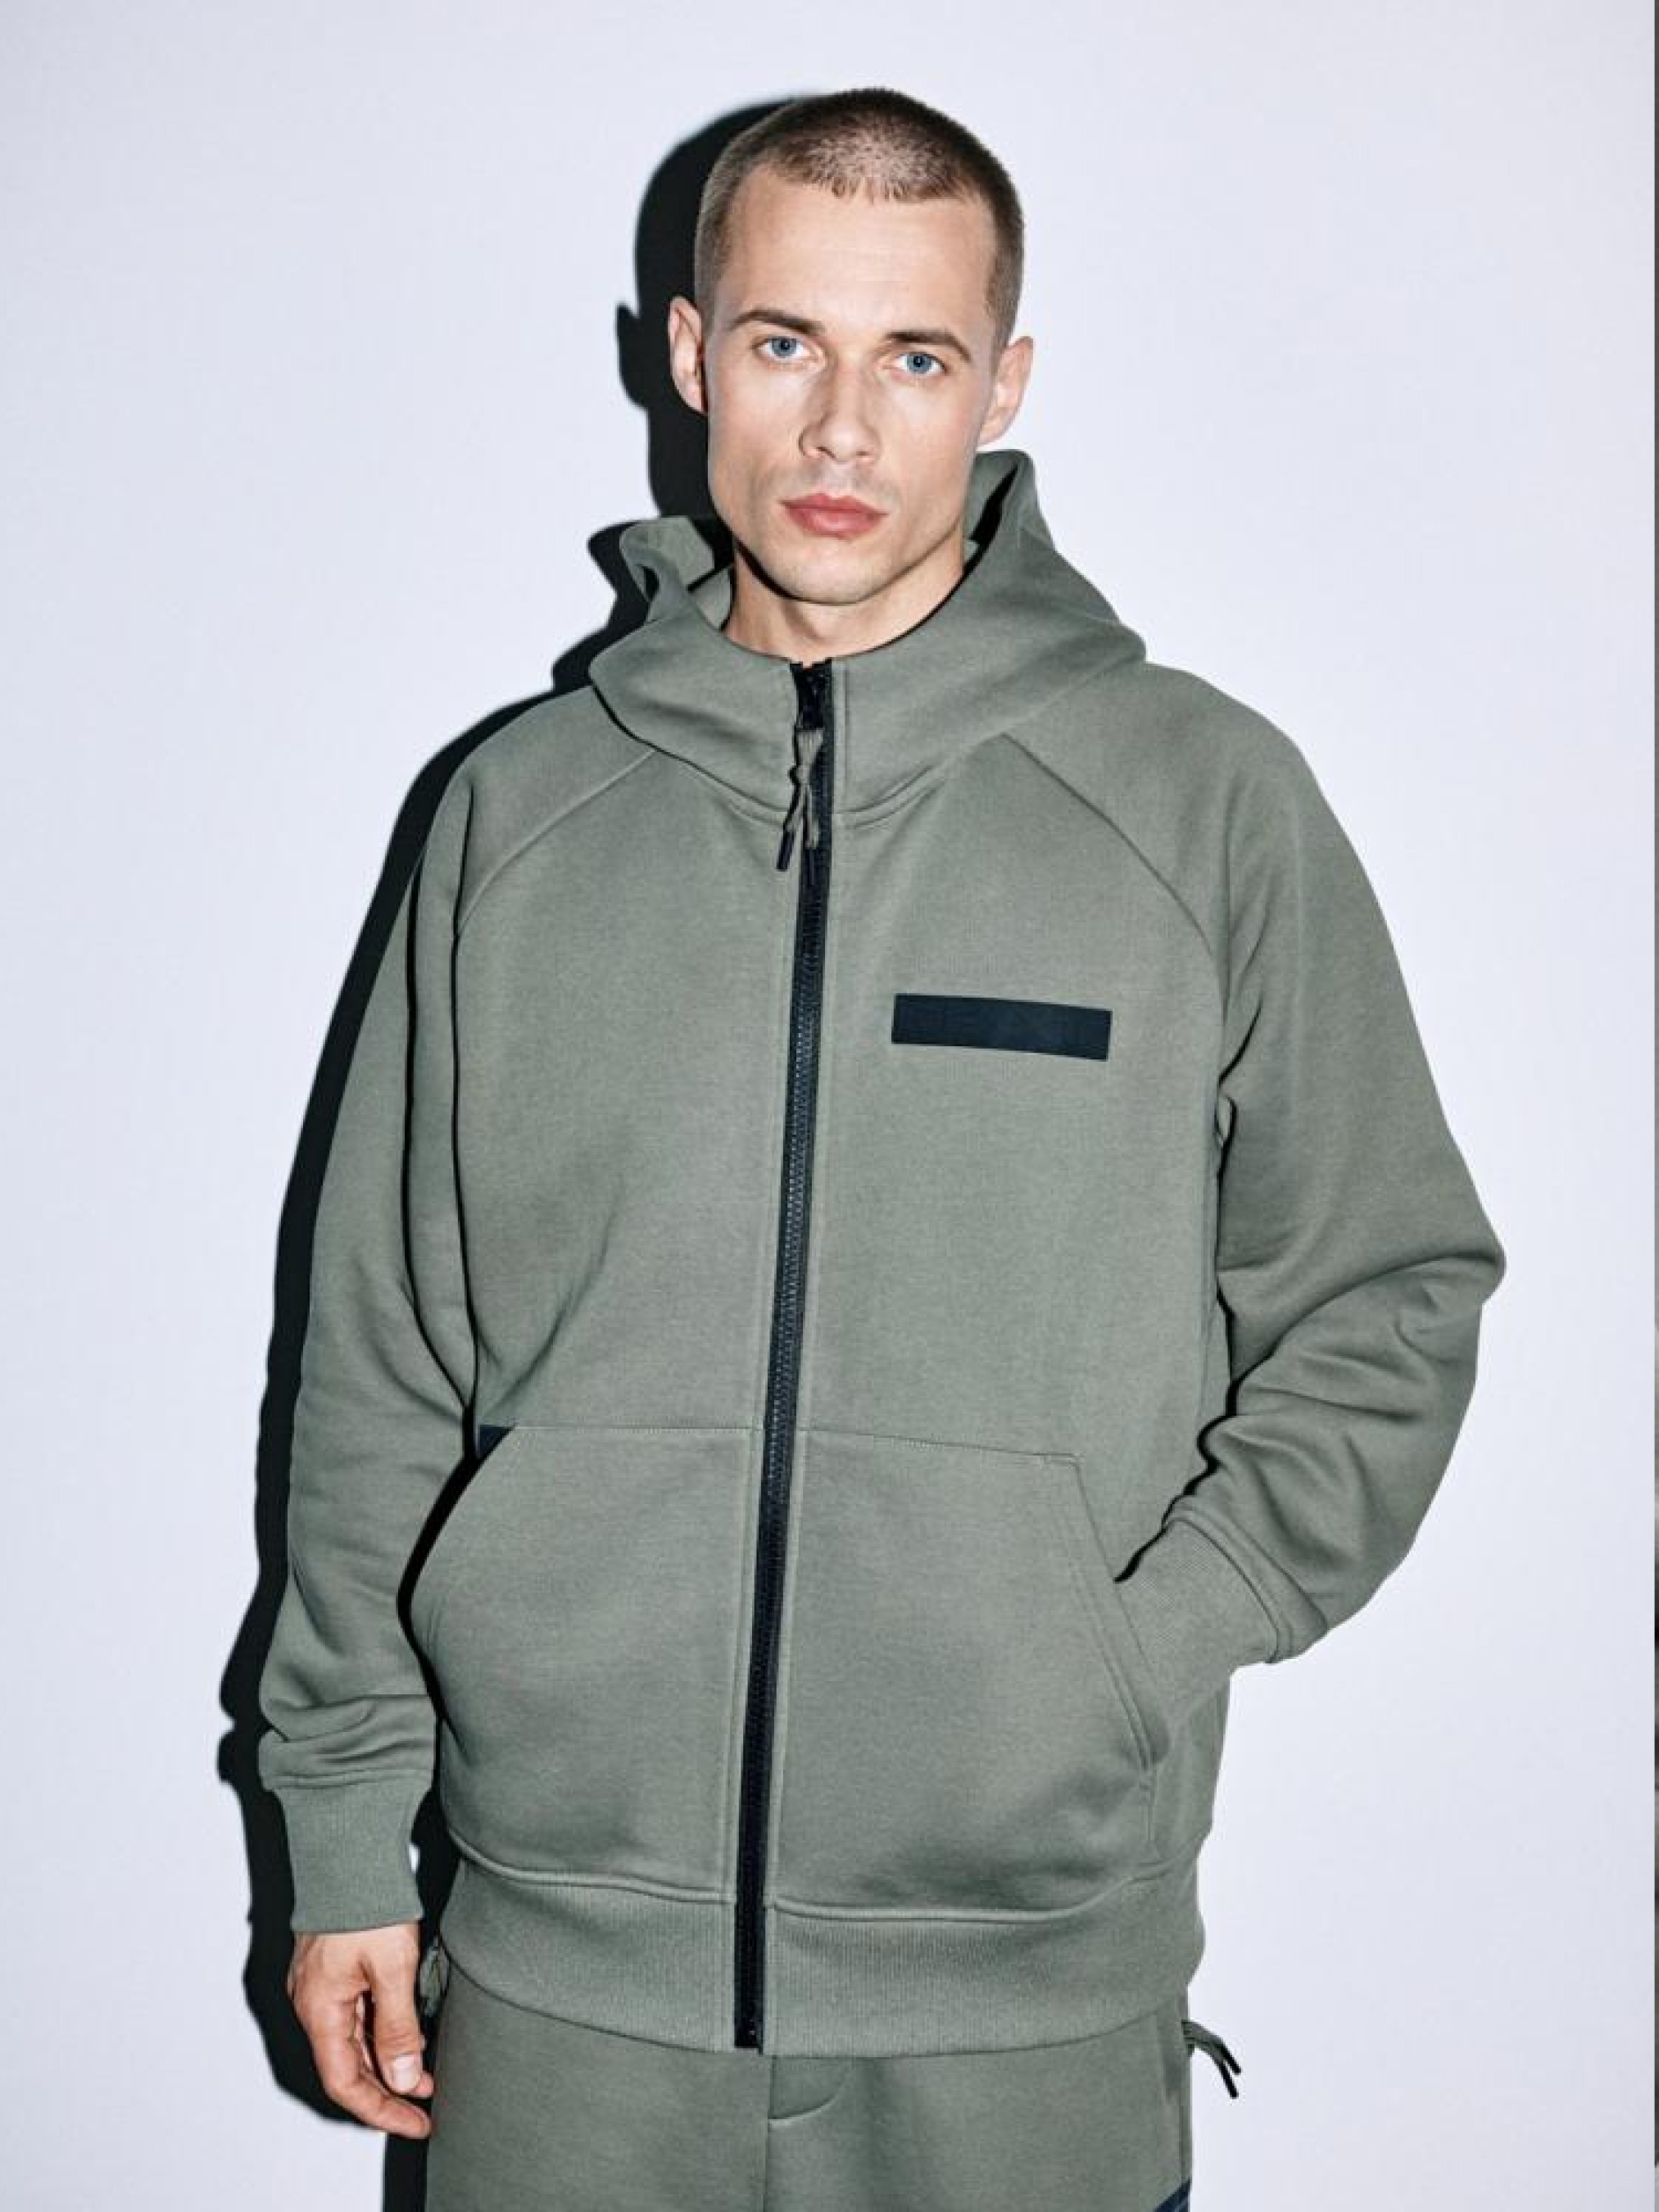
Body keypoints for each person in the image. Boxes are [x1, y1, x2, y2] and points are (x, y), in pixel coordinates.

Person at [256, 85, 1507, 2210]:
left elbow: (1388, 1297)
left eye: (913, 357)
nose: (841, 429)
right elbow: (380, 1361)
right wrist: (343, 1829)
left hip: (1025, 2004)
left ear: (1001, 386)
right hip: (563, 1998)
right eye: (785, 343)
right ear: (688, 354)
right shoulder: (518, 817)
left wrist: (1134, 1652)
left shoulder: (1198, 803)